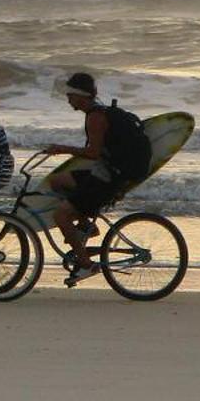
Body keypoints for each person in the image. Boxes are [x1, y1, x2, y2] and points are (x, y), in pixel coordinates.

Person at [42, 71, 144, 278]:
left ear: (81, 96)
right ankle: (85, 225)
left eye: (71, 95)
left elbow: (92, 153)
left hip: (108, 178)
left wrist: (63, 148)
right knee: (55, 180)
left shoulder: (96, 118)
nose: (68, 99)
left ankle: (86, 265)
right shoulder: (97, 112)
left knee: (60, 215)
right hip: (104, 171)